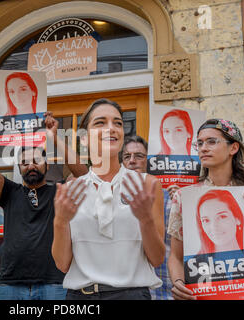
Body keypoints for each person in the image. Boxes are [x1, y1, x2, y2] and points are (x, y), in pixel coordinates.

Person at [52, 98, 165, 300]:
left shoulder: (147, 185)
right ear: (84, 138)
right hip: (80, 297)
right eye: (100, 122)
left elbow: (157, 259)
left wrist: (145, 219)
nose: (111, 128)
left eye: (118, 123)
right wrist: (60, 222)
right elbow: (62, 264)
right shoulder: (71, 191)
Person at [0, 100, 87, 300]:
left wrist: (55, 137)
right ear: (19, 168)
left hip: (54, 282)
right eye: (25, 162)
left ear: (46, 165)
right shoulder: (9, 192)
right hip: (11, 284)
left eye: (37, 160)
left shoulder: (59, 191)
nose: (31, 165)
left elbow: (83, 176)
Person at [167, 118, 244, 300]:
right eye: (200, 143)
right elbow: (176, 256)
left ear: (233, 148)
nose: (203, 148)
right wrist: (179, 283)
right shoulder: (184, 198)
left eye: (212, 141)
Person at [121, 135, 173, 300]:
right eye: (127, 156)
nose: (132, 161)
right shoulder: (112, 198)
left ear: (148, 161)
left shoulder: (168, 198)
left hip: (163, 288)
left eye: (139, 156)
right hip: (126, 290)